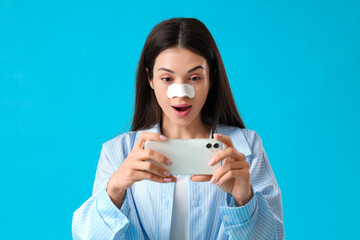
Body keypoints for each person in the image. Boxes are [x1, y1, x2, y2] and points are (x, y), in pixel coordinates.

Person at [72, 17, 284, 240]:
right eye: (167, 78)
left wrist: (245, 200)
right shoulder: (118, 152)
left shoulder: (245, 148)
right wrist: (114, 190)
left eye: (194, 78)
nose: (181, 93)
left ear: (210, 78)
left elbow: (274, 237)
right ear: (150, 79)